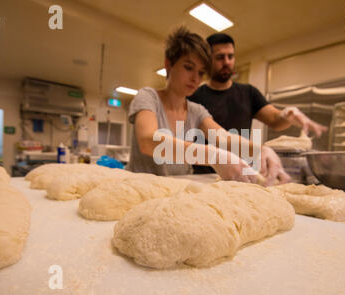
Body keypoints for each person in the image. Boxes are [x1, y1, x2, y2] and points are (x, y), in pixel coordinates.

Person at [127, 27, 265, 184]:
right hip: (140, 189)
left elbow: (224, 138)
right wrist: (214, 156)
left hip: (177, 190)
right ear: (169, 64)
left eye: (201, 72)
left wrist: (261, 151)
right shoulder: (148, 97)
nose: (195, 78)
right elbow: (148, 141)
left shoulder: (196, 111)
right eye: (188, 67)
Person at [189, 33, 328, 182]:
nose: (227, 62)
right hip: (204, 177)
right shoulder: (194, 96)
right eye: (220, 57)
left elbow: (275, 120)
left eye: (231, 56)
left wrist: (286, 115)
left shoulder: (248, 93)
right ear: (208, 60)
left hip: (243, 174)